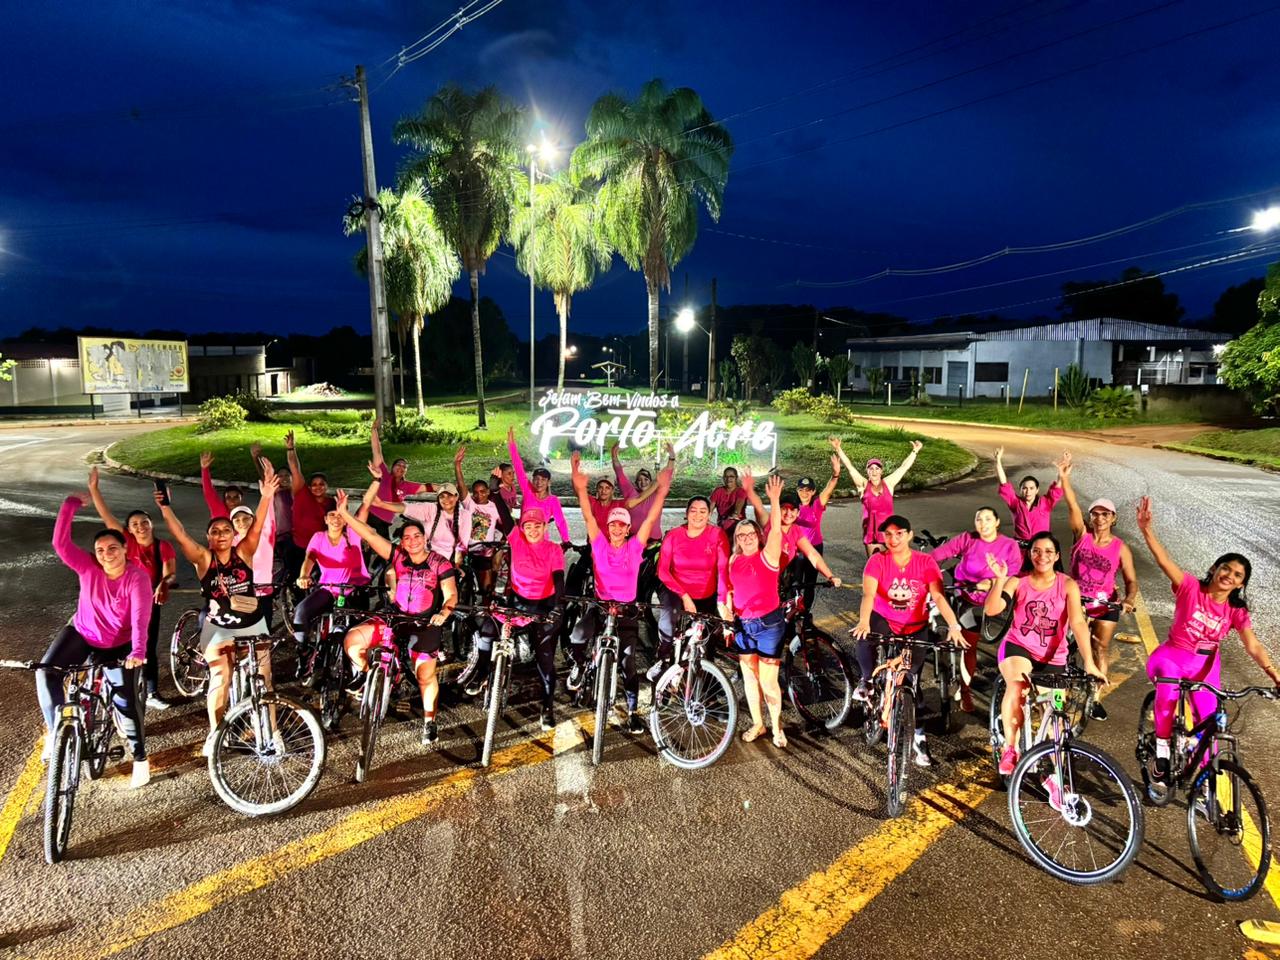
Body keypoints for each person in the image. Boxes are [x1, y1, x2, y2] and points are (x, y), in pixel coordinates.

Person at [1135, 497, 1280, 783]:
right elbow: (1164, 561)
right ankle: (1162, 752)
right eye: (1226, 568)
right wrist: (1147, 530)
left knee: (1208, 723)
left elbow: (1252, 644)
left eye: (1238, 575)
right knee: (1167, 699)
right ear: (1214, 569)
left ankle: (1203, 785)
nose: (1229, 575)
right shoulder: (1190, 587)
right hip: (1172, 658)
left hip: (1205, 667)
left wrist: (1273, 673)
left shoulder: (1235, 610)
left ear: (1240, 584)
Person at [157, 460, 279, 754]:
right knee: (221, 677)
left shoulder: (244, 552)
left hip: (251, 621)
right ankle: (216, 733)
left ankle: (273, 733)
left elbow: (259, 525)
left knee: (266, 678)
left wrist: (266, 496)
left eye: (227, 530)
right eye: (216, 531)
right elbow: (181, 535)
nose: (222, 534)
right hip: (219, 626)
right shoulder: (203, 559)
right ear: (209, 538)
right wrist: (165, 508)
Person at [44, 492, 152, 789]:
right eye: (101, 549)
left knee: (126, 702)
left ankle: (140, 758)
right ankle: (57, 733)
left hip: (120, 644)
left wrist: (139, 650)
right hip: (83, 633)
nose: (106, 554)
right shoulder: (88, 567)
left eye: (112, 548)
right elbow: (60, 544)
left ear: (125, 549)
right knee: (47, 672)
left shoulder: (137, 577)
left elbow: (141, 615)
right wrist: (69, 505)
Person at [337, 488, 457, 746]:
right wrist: (345, 514)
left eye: (417, 536)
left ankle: (429, 721)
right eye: (407, 537)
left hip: (425, 623)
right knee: (353, 641)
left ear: (425, 538)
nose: (412, 540)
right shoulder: (398, 556)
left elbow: (451, 595)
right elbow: (368, 533)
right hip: (395, 617)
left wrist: (444, 612)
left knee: (425, 675)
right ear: (401, 542)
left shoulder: (440, 563)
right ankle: (367, 677)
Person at [984, 532, 1107, 776]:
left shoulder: (1067, 584)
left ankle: (1055, 778)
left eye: (1048, 551)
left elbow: (1079, 624)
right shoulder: (1017, 582)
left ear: (1057, 556)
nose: (1042, 556)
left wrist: (1090, 664)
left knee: (1057, 720)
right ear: (1030, 554)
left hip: (1053, 658)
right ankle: (1010, 748)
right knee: (1018, 686)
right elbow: (992, 609)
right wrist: (999, 581)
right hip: (1018, 648)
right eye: (1036, 551)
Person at [851, 514, 967, 767]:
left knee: (911, 682)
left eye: (899, 533)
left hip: (915, 627)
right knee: (865, 639)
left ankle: (919, 736)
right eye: (888, 534)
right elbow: (868, 594)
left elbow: (938, 596)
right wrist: (864, 621)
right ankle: (868, 681)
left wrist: (954, 625)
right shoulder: (877, 561)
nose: (893, 539)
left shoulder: (925, 562)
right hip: (884, 619)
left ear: (910, 535)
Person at [567, 451, 671, 732]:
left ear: (627, 529)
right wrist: (579, 486)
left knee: (628, 665)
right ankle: (579, 666)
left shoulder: (635, 547)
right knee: (577, 635)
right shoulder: (599, 544)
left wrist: (662, 488)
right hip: (601, 608)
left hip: (625, 613)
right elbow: (589, 515)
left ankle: (633, 710)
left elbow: (649, 519)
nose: (616, 528)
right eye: (612, 523)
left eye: (621, 524)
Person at [86, 466, 178, 711]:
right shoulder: (124, 543)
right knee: (113, 644)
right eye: (135, 524)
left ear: (151, 524)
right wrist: (94, 489)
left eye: (144, 522)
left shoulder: (163, 546)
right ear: (128, 529)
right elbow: (106, 516)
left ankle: (151, 691)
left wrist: (163, 583)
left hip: (147, 603)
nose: (140, 527)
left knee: (147, 646)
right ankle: (110, 688)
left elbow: (170, 573)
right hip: (118, 602)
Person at [470, 505, 566, 731]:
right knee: (488, 627)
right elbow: (505, 517)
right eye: (528, 526)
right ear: (522, 528)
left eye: (537, 526)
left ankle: (548, 706)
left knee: (545, 658)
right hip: (517, 601)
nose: (532, 530)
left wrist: (558, 607)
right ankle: (482, 671)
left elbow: (559, 580)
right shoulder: (516, 540)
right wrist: (494, 495)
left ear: (544, 527)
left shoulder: (553, 549)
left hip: (544, 605)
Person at [1059, 461, 1137, 722]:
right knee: (1064, 643)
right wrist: (1064, 479)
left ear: (1113, 518)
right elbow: (1072, 505)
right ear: (1090, 517)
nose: (1100, 519)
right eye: (1096, 514)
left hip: (1105, 603)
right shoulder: (1081, 535)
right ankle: (1060, 687)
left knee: (1099, 647)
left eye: (1106, 514)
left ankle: (1094, 699)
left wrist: (1129, 599)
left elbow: (1131, 580)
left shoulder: (1120, 548)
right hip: (1077, 598)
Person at [721, 475, 792, 748]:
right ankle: (758, 723)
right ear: (737, 539)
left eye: (751, 534)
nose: (748, 538)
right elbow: (729, 591)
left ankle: (777, 727)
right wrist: (727, 611)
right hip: (743, 626)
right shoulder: (733, 560)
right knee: (750, 679)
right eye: (742, 535)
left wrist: (773, 500)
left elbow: (775, 531)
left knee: (769, 681)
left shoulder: (768, 556)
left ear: (757, 537)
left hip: (769, 625)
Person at [928, 506, 1022, 711]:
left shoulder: (1009, 545)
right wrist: (922, 565)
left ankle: (1010, 689)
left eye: (988, 519)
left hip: (996, 603)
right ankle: (966, 690)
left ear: (997, 522)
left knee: (1005, 648)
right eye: (979, 519)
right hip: (968, 599)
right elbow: (941, 553)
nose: (983, 523)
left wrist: (991, 583)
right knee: (968, 647)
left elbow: (1013, 575)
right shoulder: (968, 539)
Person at [292, 492, 372, 682]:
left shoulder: (352, 534)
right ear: (326, 519)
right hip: (328, 588)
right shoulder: (319, 537)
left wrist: (377, 480)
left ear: (345, 520)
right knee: (301, 612)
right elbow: (310, 558)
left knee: (353, 635)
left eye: (340, 515)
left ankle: (357, 672)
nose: (336, 519)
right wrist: (304, 575)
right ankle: (304, 654)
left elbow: (365, 506)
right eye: (332, 515)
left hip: (354, 590)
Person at [650, 495, 731, 680]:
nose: (698, 515)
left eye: (703, 511)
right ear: (686, 514)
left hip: (706, 594)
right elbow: (662, 571)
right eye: (693, 510)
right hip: (677, 590)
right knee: (669, 619)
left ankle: (707, 684)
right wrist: (684, 596)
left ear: (709, 514)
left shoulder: (717, 535)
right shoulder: (674, 535)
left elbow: (722, 571)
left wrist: (722, 602)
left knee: (707, 640)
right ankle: (663, 659)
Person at [739, 472, 842, 591]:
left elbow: (812, 554)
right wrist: (749, 490)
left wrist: (830, 575)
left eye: (793, 510)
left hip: (779, 582)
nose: (788, 514)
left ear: (798, 513)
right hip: (758, 580)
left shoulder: (795, 530)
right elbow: (758, 506)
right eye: (784, 509)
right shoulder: (769, 522)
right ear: (778, 509)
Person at [831, 437, 923, 556]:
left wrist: (915, 451)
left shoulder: (889, 484)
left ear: (881, 471)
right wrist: (838, 449)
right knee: (874, 567)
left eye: (877, 468)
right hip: (871, 533)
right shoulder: (863, 485)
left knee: (891, 567)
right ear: (867, 471)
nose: (874, 471)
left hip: (890, 532)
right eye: (871, 468)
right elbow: (850, 467)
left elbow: (903, 467)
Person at [372, 467, 467, 565]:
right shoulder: (431, 509)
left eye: (449, 496)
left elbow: (461, 546)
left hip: (443, 562)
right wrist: (382, 504)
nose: (446, 500)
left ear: (456, 497)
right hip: (420, 556)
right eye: (442, 496)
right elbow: (405, 508)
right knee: (390, 571)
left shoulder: (464, 515)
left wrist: (457, 566)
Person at [454, 445, 512, 599]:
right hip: (467, 548)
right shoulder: (469, 504)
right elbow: (461, 487)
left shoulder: (495, 507)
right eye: (475, 492)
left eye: (482, 491)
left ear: (488, 492)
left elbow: (506, 524)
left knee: (486, 590)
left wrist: (503, 540)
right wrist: (457, 465)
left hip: (484, 552)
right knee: (456, 576)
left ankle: (488, 605)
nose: (479, 495)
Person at [367, 416, 434, 540]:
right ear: (392, 467)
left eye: (404, 467)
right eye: (399, 464)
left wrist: (447, 488)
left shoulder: (407, 486)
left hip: (384, 524)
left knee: (386, 554)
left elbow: (428, 487)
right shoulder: (384, 475)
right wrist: (374, 430)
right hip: (369, 517)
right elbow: (377, 451)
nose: (401, 467)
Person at [791, 457, 841, 610]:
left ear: (813, 491)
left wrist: (836, 474)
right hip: (798, 549)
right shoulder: (792, 506)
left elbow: (829, 488)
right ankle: (793, 611)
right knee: (795, 583)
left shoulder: (817, 504)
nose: (804, 493)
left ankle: (806, 613)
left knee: (810, 583)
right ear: (797, 491)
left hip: (815, 548)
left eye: (808, 490)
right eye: (801, 490)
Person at [285, 430, 335, 579]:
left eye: (321, 484)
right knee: (297, 580)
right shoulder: (302, 493)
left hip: (320, 549)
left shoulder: (331, 502)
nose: (317, 487)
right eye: (314, 484)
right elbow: (294, 468)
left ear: (326, 486)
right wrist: (290, 449)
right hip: (298, 546)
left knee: (320, 582)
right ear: (309, 486)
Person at [507, 426, 570, 543]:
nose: (539, 482)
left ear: (548, 482)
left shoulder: (553, 500)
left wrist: (566, 540)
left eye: (543, 480)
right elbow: (518, 467)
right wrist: (512, 446)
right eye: (536, 479)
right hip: (522, 541)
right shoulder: (527, 490)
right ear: (532, 480)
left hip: (541, 543)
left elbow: (560, 521)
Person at [994, 447, 1069, 543]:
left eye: (1031, 488)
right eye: (1024, 488)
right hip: (1020, 549)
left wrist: (1062, 472)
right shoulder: (1015, 503)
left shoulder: (1045, 503)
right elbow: (1004, 483)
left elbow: (1057, 487)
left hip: (1041, 547)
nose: (1028, 491)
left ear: (1037, 490)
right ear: (1020, 490)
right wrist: (998, 461)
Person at [612, 442, 677, 539]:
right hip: (633, 540)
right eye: (639, 480)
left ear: (651, 482)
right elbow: (619, 473)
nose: (643, 482)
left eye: (646, 479)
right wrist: (614, 455)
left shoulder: (657, 494)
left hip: (653, 540)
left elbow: (667, 473)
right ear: (636, 483)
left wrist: (672, 457)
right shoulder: (631, 492)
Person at [199, 450, 244, 520]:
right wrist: (204, 469)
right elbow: (209, 492)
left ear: (242, 500)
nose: (232, 501)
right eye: (228, 497)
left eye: (236, 497)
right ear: (224, 500)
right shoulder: (219, 510)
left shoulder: (246, 516)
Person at [709, 467, 748, 533]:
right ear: (723, 478)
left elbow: (737, 511)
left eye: (731, 476)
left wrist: (734, 515)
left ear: (736, 478)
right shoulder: (718, 491)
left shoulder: (741, 492)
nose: (728, 479)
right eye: (726, 477)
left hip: (738, 525)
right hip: (721, 524)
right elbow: (709, 510)